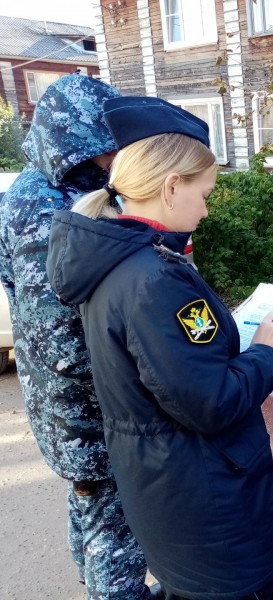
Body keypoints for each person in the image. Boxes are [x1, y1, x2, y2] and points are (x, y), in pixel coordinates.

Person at [46, 96, 273, 600]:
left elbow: (171, 367)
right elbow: (210, 403)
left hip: (170, 494)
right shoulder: (153, 278)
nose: (206, 209)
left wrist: (235, 338)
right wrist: (267, 351)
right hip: (209, 509)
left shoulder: (117, 260)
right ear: (171, 187)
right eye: (204, 193)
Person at [0, 75, 157, 599]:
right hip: (88, 393)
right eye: (105, 138)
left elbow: (10, 281)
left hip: (45, 391)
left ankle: (91, 583)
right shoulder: (79, 201)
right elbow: (112, 298)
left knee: (86, 498)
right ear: (77, 135)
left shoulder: (19, 191)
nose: (115, 150)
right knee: (116, 521)